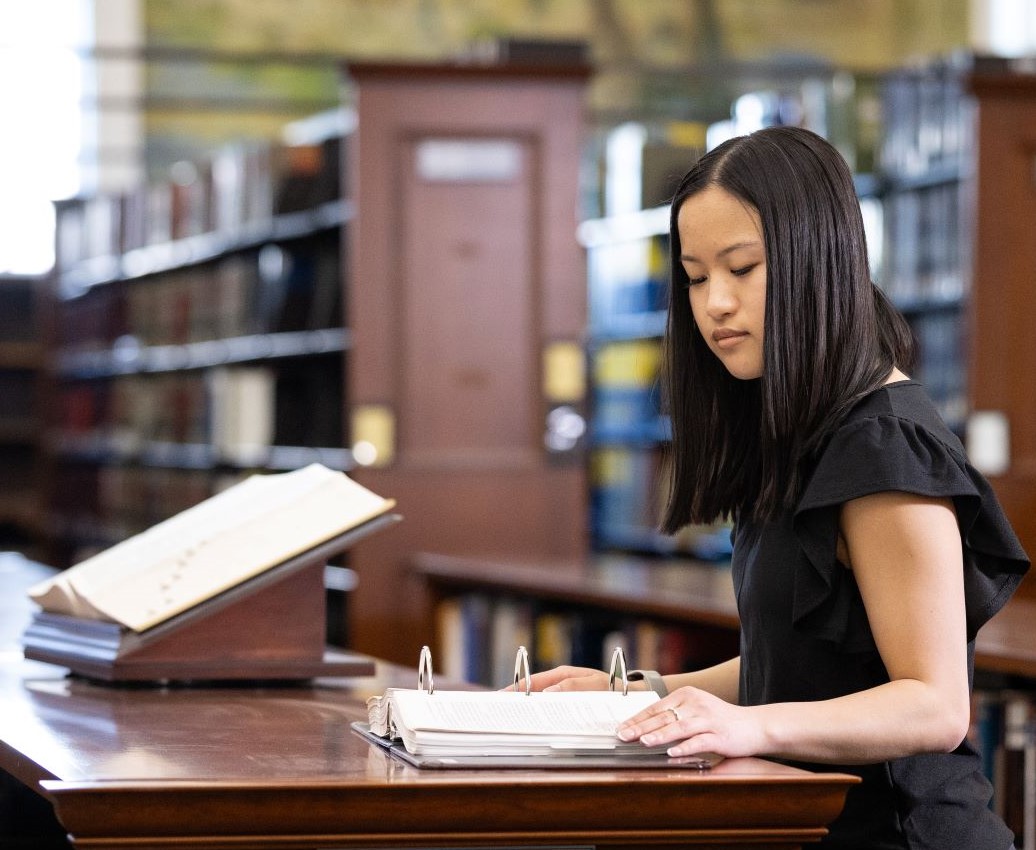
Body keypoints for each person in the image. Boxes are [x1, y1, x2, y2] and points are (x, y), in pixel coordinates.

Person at [524, 126, 1030, 849]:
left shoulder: (884, 446)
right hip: (809, 823)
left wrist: (746, 727)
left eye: (742, 268)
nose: (715, 304)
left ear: (816, 261)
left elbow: (933, 704)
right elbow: (796, 666)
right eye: (696, 278)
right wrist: (643, 696)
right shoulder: (806, 432)